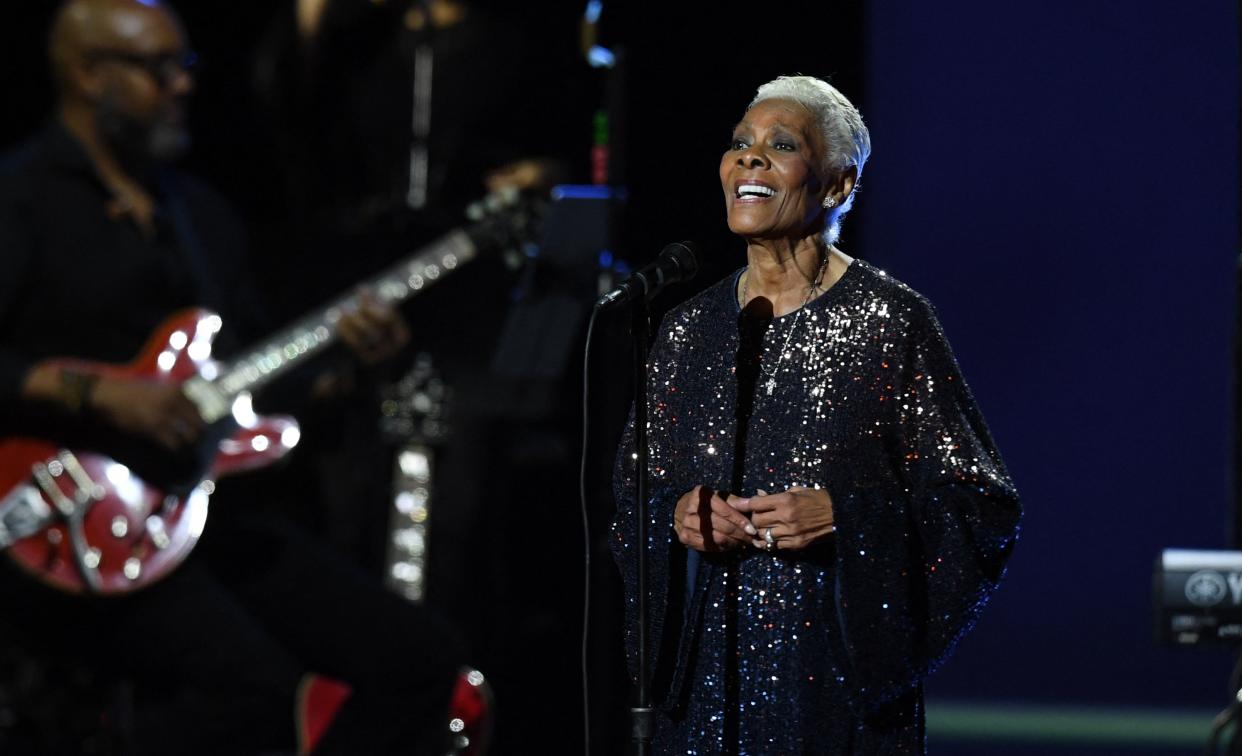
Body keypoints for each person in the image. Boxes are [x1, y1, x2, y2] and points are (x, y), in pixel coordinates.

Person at [0, 1, 478, 753]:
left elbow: (262, 397)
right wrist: (100, 395)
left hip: (198, 508)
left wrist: (347, 367)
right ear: (88, 75)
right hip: (58, 517)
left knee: (419, 660)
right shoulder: (21, 198)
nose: (183, 86)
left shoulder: (202, 215)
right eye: (159, 69)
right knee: (251, 694)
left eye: (185, 65)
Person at [610, 75, 1022, 753]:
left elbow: (980, 510)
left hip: (834, 698)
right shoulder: (687, 331)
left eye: (780, 144)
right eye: (740, 143)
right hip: (702, 698)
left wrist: (847, 516)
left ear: (838, 186)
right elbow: (633, 498)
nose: (749, 158)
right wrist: (676, 516)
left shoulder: (891, 321)